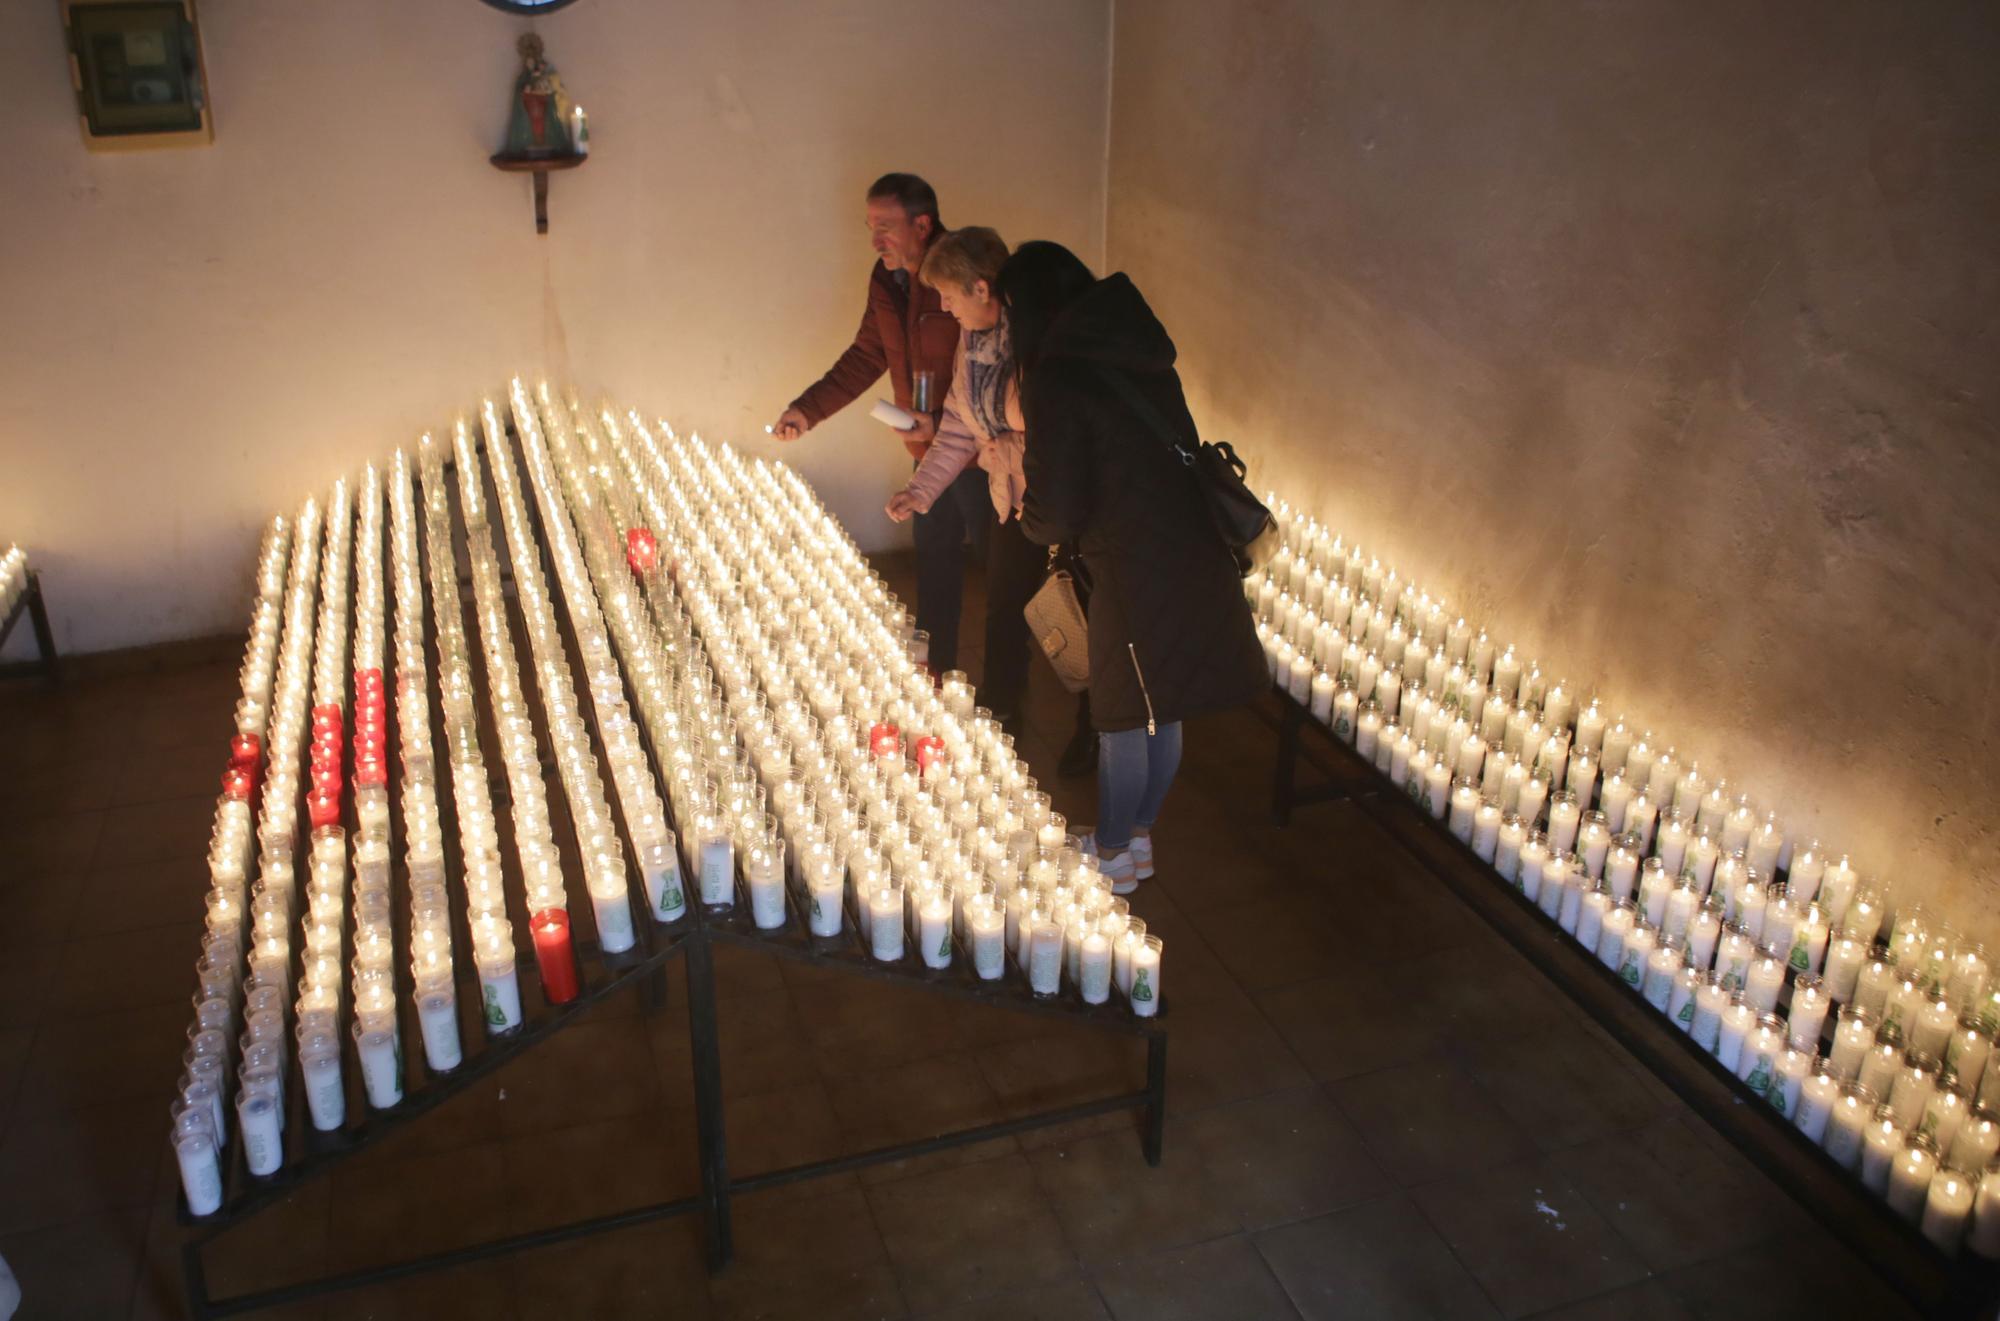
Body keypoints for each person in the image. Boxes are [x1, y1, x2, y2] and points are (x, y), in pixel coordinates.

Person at [999, 241, 1266, 892]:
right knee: (1161, 704)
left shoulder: (1057, 377)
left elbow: (1056, 508)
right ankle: (1136, 834)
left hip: (1133, 561)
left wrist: (1025, 513)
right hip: (1188, 545)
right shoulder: (1138, 352)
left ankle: (1114, 853)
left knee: (1122, 710)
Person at [769, 173, 990, 676]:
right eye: (871, 227)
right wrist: (808, 409)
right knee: (934, 569)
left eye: (886, 227)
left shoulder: (959, 279)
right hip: (927, 453)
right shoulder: (886, 280)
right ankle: (937, 679)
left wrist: (937, 421)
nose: (875, 240)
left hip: (978, 455)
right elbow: (867, 354)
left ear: (923, 225)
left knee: (1002, 581)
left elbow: (983, 373)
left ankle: (1007, 703)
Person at [882, 226, 1043, 724]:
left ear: (981, 288)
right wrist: (920, 491)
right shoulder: (973, 343)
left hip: (1051, 499)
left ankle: (1090, 722)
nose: (947, 309)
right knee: (1005, 603)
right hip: (1009, 495)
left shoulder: (1035, 340)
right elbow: (958, 422)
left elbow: (1063, 426)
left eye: (951, 296)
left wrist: (1013, 445)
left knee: (1062, 611)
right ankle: (1003, 713)